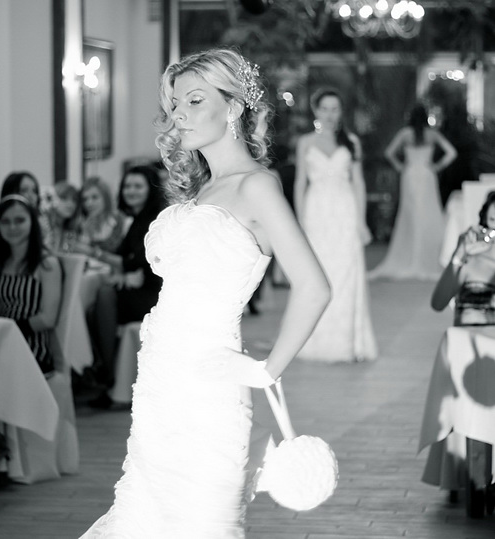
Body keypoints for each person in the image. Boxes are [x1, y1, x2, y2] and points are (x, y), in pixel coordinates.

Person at [79, 48, 331, 538]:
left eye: (195, 101)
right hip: (160, 384)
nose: (180, 115)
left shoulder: (257, 187)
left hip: (209, 388)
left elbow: (315, 287)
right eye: (175, 103)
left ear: (233, 107)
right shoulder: (201, 192)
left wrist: (267, 369)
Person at [293, 87, 377, 363]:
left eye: (335, 109)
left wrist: (361, 221)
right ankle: (314, 339)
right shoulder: (305, 142)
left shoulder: (351, 142)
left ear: (341, 112)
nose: (329, 114)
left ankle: (348, 343)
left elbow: (359, 183)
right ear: (316, 111)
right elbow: (300, 183)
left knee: (346, 273)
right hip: (316, 212)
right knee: (318, 273)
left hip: (345, 212)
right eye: (325, 109)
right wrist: (299, 222)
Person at [423, 191, 495, 499]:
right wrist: (459, 257)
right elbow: (438, 302)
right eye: (492, 221)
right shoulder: (468, 255)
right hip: (465, 346)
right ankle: (463, 470)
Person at [86, 165, 165, 402]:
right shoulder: (138, 219)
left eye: (138, 186)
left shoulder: (155, 220)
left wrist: (94, 253)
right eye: (127, 186)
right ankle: (105, 371)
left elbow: (136, 262)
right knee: (95, 306)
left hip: (155, 295)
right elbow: (123, 257)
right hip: (141, 289)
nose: (131, 191)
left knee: (104, 298)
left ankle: (109, 374)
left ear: (150, 189)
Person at [369, 103, 457, 280]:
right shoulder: (432, 134)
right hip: (426, 174)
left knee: (411, 214)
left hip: (410, 175)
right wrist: (437, 166)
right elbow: (452, 153)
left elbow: (389, 153)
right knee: (428, 213)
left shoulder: (405, 134)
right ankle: (429, 256)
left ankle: (413, 253)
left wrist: (400, 166)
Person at [0, 194, 62, 376]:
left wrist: (9, 330)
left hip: (33, 348)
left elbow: (48, 318)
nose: (12, 227)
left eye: (19, 220)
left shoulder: (46, 264)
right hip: (0, 341)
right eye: (5, 222)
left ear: (32, 223)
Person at [74, 176, 129, 256]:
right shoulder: (85, 223)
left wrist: (93, 252)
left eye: (94, 197)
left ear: (106, 198)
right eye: (85, 199)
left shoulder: (123, 222)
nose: (89, 203)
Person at [43, 181, 82, 253]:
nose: (70, 204)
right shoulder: (44, 223)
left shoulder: (70, 227)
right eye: (64, 198)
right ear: (52, 200)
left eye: (74, 200)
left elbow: (65, 253)